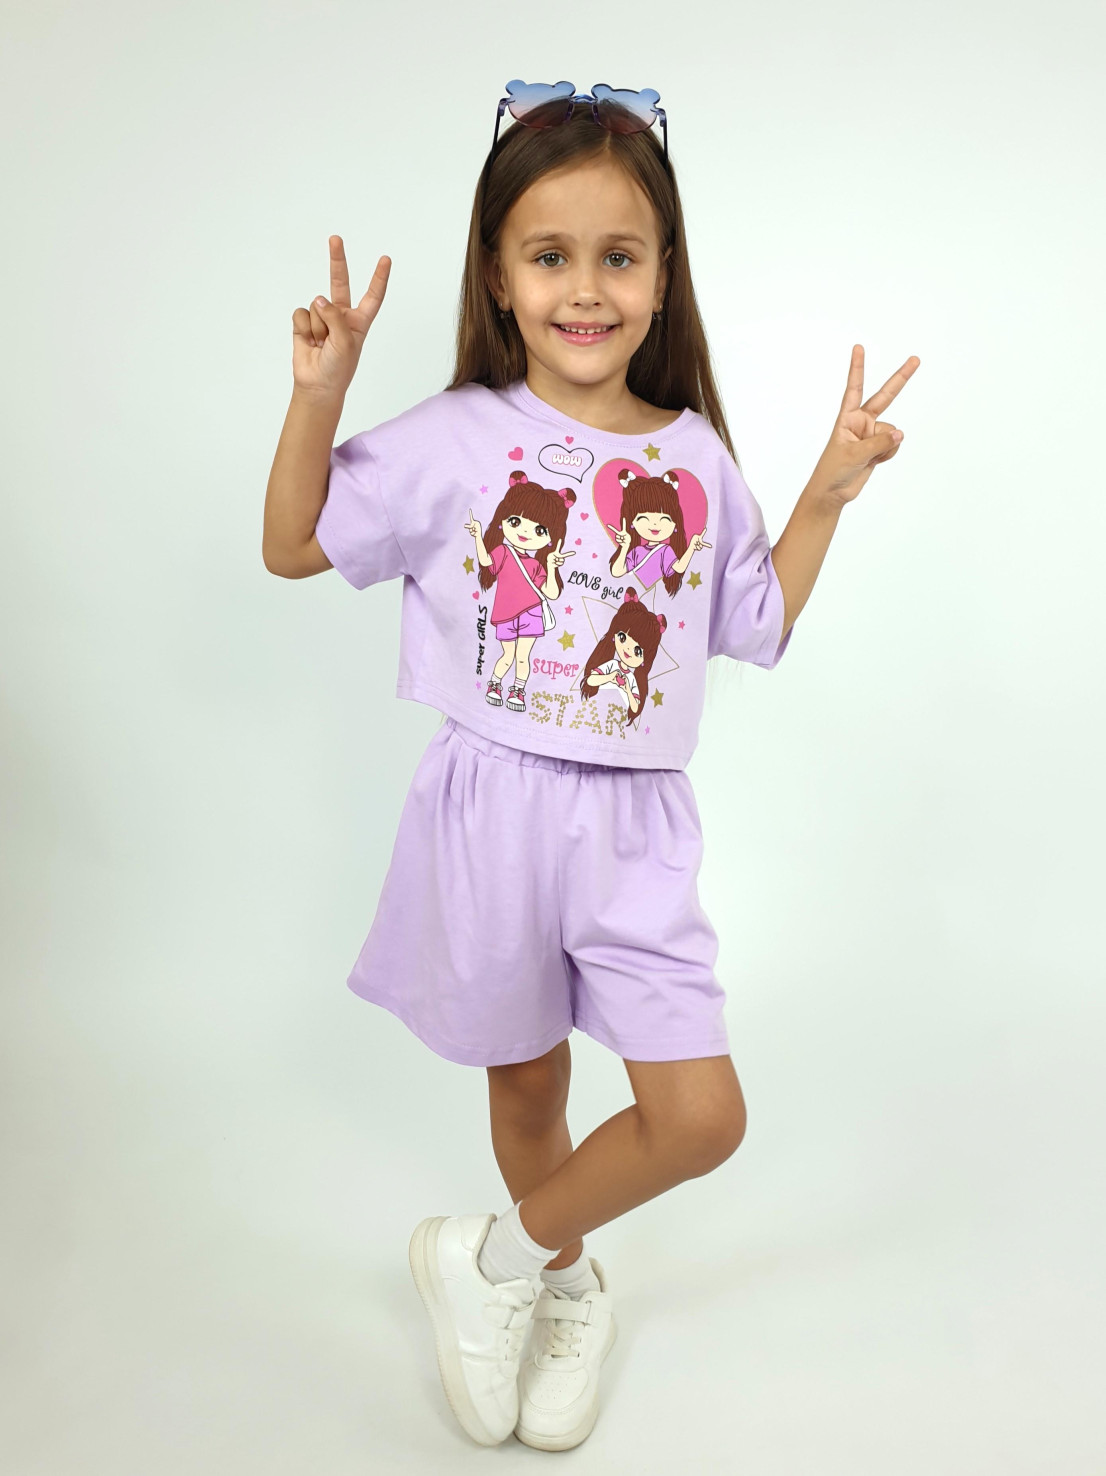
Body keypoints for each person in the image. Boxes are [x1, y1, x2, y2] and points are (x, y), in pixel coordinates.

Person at [262, 79, 919, 1453]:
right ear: (498, 274)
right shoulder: (456, 433)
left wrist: (824, 490)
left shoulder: (695, 458)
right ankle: (561, 1286)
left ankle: (488, 1261)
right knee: (529, 1088)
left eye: (618, 257)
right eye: (549, 255)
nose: (584, 289)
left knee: (699, 1115)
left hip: (633, 830)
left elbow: (754, 623)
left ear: (662, 275)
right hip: (488, 810)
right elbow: (294, 543)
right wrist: (318, 397)